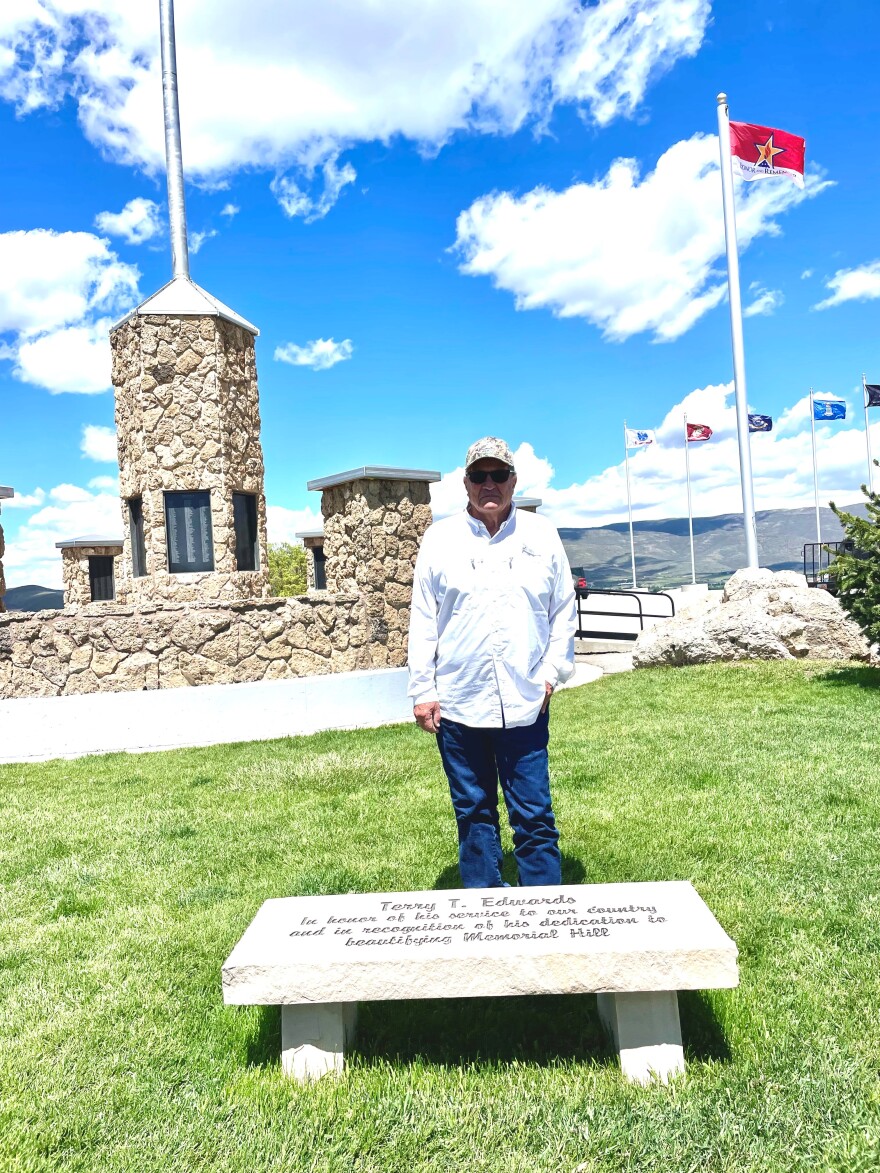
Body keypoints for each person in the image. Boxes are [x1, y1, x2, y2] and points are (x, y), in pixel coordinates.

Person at [407, 437, 577, 888]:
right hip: (460, 702)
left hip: (525, 700)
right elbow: (423, 618)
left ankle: (543, 912)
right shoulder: (439, 539)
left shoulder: (542, 536)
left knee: (534, 813)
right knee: (474, 813)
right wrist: (423, 690)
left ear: (513, 481)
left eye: (498, 475)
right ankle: (483, 916)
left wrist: (551, 674)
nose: (489, 484)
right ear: (465, 483)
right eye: (479, 476)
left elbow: (563, 610)